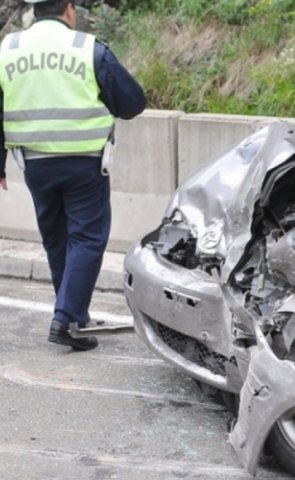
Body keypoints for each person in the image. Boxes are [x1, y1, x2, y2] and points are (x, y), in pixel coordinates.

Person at [0, 0, 146, 350]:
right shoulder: (86, 48)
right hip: (83, 164)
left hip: (34, 163)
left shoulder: (8, 49)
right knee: (88, 238)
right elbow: (132, 103)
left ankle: (75, 315)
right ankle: (65, 319)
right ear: (68, 10)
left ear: (34, 11)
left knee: (56, 239)